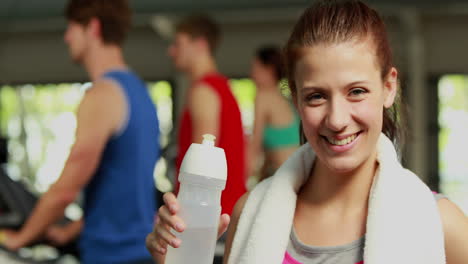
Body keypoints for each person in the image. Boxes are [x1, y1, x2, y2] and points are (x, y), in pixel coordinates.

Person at [147, 1, 468, 263]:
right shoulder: (250, 213)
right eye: (316, 96)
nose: (337, 119)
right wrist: (175, 259)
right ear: (296, 100)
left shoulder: (443, 226)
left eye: (356, 91)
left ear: (388, 87)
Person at [0, 0, 160, 263]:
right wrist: (69, 232)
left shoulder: (103, 95)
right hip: (139, 251)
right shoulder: (141, 94)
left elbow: (66, 189)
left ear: (93, 28)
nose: (66, 37)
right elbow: (122, 187)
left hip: (112, 256)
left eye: (72, 28)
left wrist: (21, 238)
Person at [168, 15, 247, 216]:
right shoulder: (222, 88)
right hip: (225, 211)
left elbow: (200, 165)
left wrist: (184, 216)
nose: (171, 51)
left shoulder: (204, 90)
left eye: (178, 44)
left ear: (200, 45)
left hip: (211, 217)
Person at [248, 45, 300, 182]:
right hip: (298, 173)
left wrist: (244, 176)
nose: (252, 74)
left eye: (255, 68)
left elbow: (255, 145)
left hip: (286, 178)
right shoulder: (284, 99)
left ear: (269, 69)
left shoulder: (263, 96)